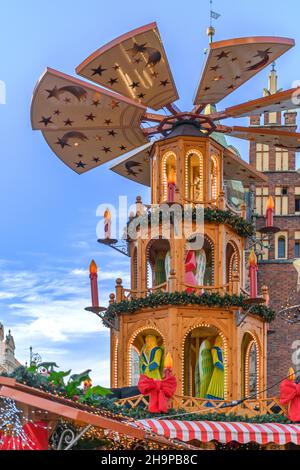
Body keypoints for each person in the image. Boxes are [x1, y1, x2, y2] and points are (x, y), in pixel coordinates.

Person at [205, 335, 224, 400]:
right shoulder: (215, 349)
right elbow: (216, 362)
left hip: (224, 373)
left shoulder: (223, 349)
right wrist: (224, 368)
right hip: (218, 372)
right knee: (215, 387)